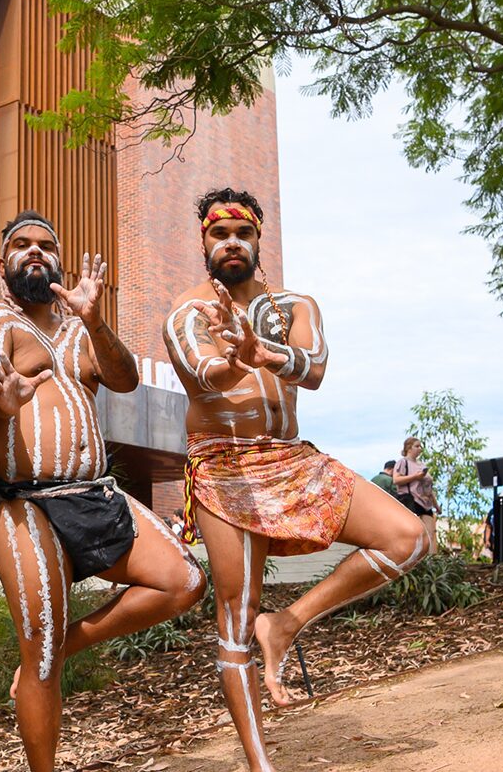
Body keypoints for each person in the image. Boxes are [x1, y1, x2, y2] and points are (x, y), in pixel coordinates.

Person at [163, 188, 428, 772]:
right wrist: (237, 357)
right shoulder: (187, 312)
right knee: (236, 611)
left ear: (259, 241)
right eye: (218, 234)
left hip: (291, 457)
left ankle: (286, 624)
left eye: (243, 234)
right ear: (203, 243)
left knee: (408, 538)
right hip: (224, 464)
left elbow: (316, 370)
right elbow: (203, 376)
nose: (231, 243)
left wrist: (265, 351)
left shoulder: (296, 305)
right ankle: (262, 765)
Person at [0, 210, 206, 772]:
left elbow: (124, 379)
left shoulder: (76, 331)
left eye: (46, 244)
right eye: (23, 245)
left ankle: (64, 643)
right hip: (22, 502)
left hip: (94, 493)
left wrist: (94, 320)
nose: (36, 251)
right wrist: (1, 397)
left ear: (60, 260)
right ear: (4, 264)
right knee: (39, 647)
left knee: (185, 581)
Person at [393, 438, 440, 554]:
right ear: (409, 448)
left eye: (420, 446)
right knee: (414, 535)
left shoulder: (422, 465)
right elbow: (396, 479)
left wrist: (436, 505)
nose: (420, 449)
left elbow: (429, 488)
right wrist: (415, 477)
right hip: (411, 501)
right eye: (417, 446)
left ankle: (431, 562)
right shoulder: (403, 462)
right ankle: (412, 560)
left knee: (430, 534)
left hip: (426, 504)